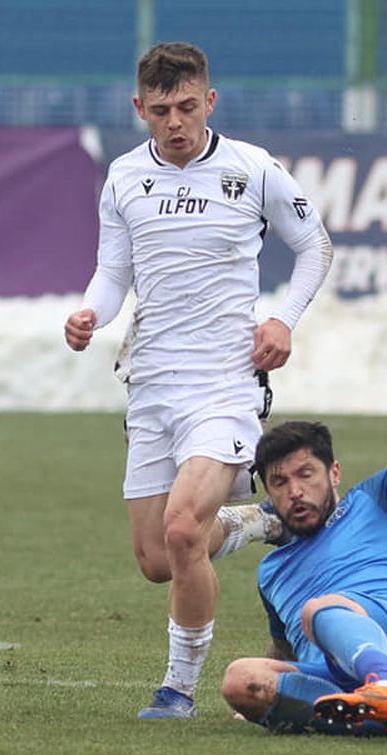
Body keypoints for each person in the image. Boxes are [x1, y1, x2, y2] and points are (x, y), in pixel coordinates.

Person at [63, 42, 332, 719]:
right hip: (151, 381)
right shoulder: (125, 177)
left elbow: (315, 246)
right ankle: (253, 520)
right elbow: (114, 271)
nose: (176, 121)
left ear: (210, 101)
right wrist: (92, 311)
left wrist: (283, 320)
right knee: (158, 558)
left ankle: (177, 688)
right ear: (140, 109)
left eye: (187, 106)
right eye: (161, 111)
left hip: (224, 383)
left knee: (184, 531)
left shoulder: (252, 168)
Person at [220, 301, 387, 740]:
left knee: (321, 608)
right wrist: (264, 695)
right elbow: (285, 649)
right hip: (337, 679)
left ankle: (385, 685)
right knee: (238, 678)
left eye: (306, 475)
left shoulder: (379, 499)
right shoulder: (270, 572)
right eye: (279, 482)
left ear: (334, 473)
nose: (295, 491)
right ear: (268, 493)